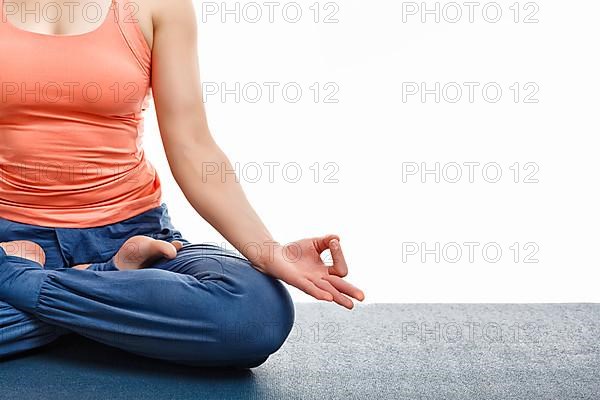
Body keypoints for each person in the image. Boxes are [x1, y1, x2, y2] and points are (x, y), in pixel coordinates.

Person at [0, 0, 364, 368]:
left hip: (137, 242)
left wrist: (267, 250)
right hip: (10, 240)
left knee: (256, 316)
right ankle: (105, 291)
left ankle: (20, 282)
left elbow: (193, 145)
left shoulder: (159, 6)